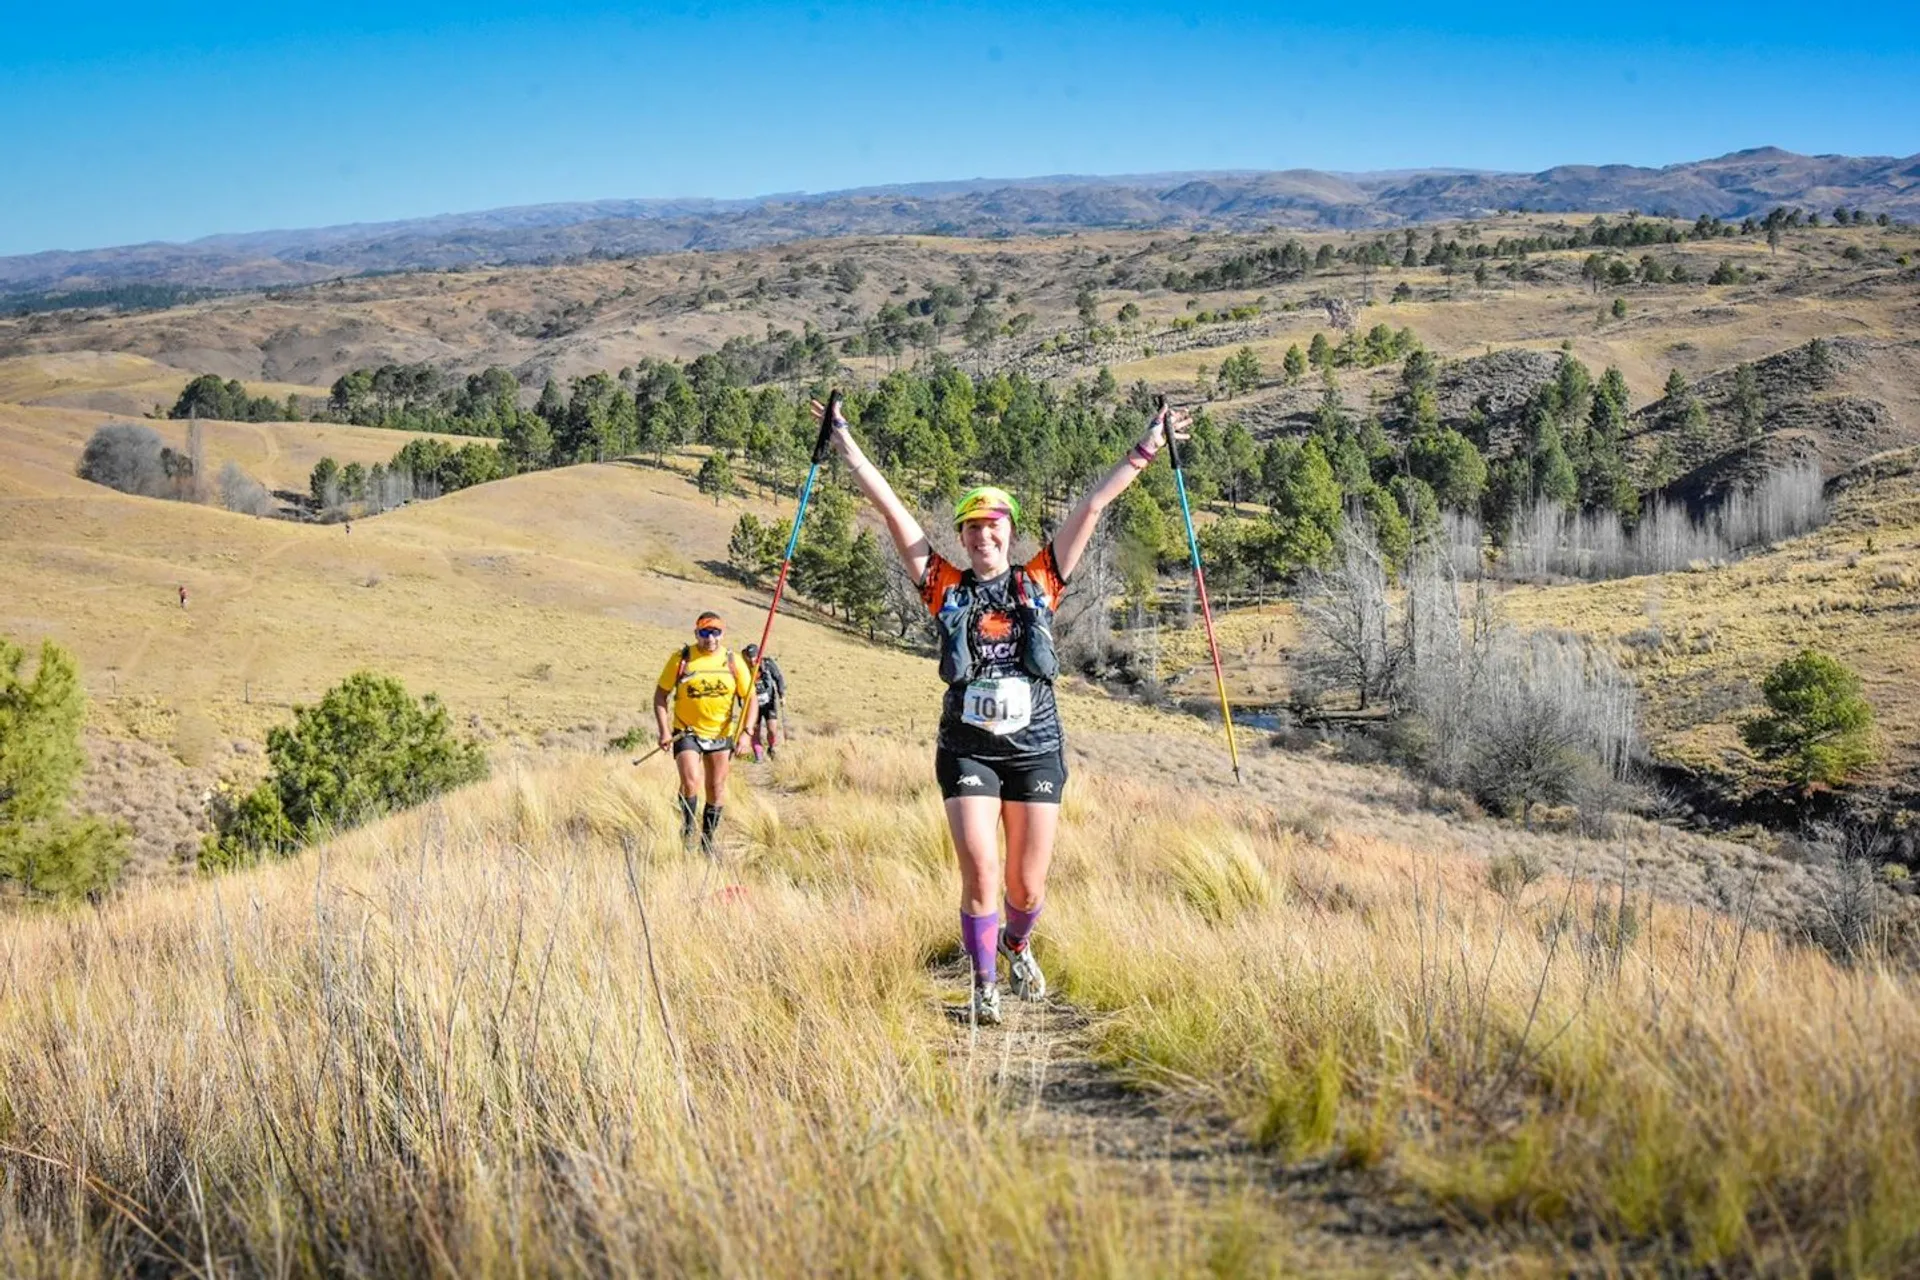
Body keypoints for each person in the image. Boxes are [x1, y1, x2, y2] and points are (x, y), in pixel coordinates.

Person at [817, 395, 1189, 1024]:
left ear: (1009, 532)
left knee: (1027, 887)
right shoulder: (943, 584)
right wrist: (843, 442)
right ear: (960, 536)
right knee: (981, 870)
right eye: (972, 528)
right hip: (968, 748)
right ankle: (983, 983)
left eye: (995, 526)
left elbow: (1094, 506)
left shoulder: (1039, 579)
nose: (983, 536)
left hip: (1037, 747)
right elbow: (891, 510)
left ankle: (1017, 944)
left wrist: (1149, 444)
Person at [653, 611, 757, 855]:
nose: (710, 638)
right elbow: (660, 695)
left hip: (721, 733)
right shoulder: (682, 659)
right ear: (696, 633)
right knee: (691, 782)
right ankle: (688, 831)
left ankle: (707, 841)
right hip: (686, 731)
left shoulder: (733, 661)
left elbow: (749, 698)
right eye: (705, 632)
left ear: (723, 634)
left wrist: (747, 733)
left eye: (715, 632)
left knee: (716, 787)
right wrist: (664, 730)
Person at [740, 643, 786, 761]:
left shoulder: (767, 664)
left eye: (754, 656)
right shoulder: (744, 668)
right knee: (755, 732)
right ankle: (758, 757)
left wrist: (782, 695)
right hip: (753, 705)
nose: (752, 660)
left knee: (772, 730)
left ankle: (771, 747)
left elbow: (778, 677)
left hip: (769, 702)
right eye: (749, 657)